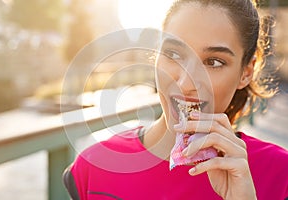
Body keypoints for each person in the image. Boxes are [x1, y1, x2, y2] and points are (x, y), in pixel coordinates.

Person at [63, 0, 288, 199]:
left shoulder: (279, 176)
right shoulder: (94, 168)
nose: (185, 83)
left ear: (246, 72)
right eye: (174, 54)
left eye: (214, 62)